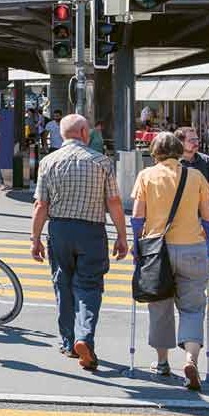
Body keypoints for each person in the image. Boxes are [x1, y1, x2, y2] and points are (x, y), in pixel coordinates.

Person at [30, 114, 129, 371]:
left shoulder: (48, 162)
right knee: (89, 286)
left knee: (62, 283)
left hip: (59, 229)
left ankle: (68, 341)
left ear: (63, 134)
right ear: (84, 132)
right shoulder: (101, 162)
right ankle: (85, 337)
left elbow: (41, 205)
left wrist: (35, 239)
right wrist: (122, 235)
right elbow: (114, 203)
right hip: (92, 231)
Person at [131, 132, 209, 391]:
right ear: (179, 151)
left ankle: (162, 362)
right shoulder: (196, 176)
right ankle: (190, 359)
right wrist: (207, 241)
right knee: (192, 307)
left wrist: (137, 247)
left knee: (160, 307)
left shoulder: (146, 176)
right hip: (192, 247)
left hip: (158, 251)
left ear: (154, 151)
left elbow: (137, 217)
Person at [175, 127, 209, 228]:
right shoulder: (173, 162)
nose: (196, 143)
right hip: (178, 214)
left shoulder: (206, 161)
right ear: (180, 142)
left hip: (203, 214)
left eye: (197, 139)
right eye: (191, 140)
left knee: (204, 243)